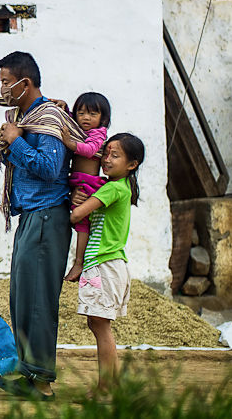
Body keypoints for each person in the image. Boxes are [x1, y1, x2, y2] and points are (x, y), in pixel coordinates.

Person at [0, 51, 75, 400]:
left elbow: (49, 167)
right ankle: (30, 374)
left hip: (47, 215)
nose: (1, 88)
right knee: (22, 297)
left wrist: (15, 138)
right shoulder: (20, 117)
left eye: (5, 82)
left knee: (39, 300)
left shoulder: (48, 117)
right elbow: (1, 146)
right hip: (31, 216)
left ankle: (42, 383)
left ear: (24, 83)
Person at [69, 133, 144, 394]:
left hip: (105, 265)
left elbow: (77, 215)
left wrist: (73, 203)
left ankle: (105, 388)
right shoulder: (117, 187)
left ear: (131, 164)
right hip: (108, 265)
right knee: (98, 324)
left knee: (101, 327)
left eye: (115, 155)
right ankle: (109, 385)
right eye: (106, 153)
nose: (106, 160)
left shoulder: (113, 187)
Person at [60, 92, 111, 283]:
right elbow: (70, 120)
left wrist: (69, 143)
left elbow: (89, 150)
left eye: (92, 114)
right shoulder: (80, 130)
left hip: (88, 184)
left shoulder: (99, 134)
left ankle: (79, 262)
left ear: (103, 118)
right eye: (81, 113)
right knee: (75, 223)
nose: (85, 118)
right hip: (76, 182)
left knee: (82, 225)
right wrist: (65, 107)